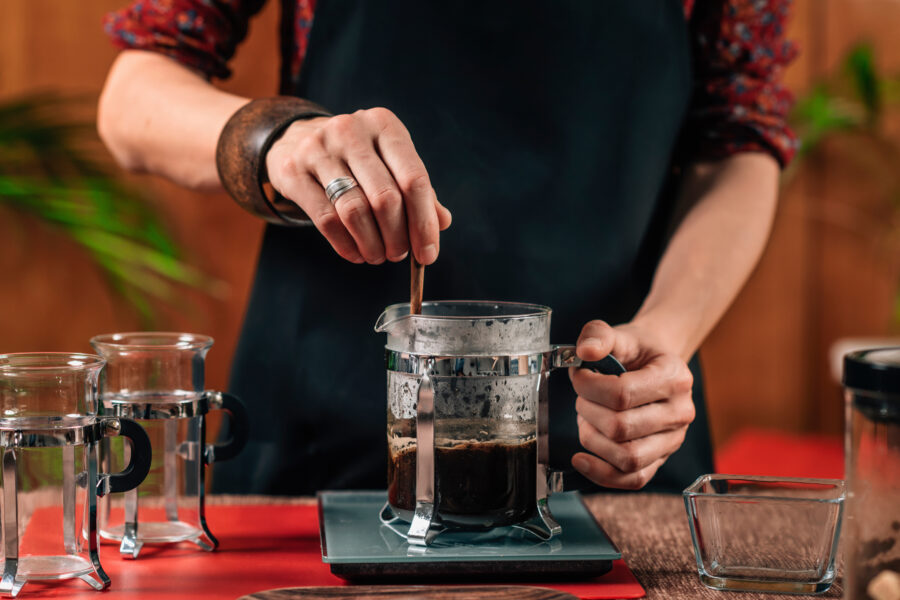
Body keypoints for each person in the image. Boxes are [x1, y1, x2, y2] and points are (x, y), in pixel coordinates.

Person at [97, 0, 796, 495]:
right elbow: (132, 101)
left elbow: (736, 138)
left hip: (608, 442)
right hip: (320, 449)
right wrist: (278, 142)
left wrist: (669, 333)